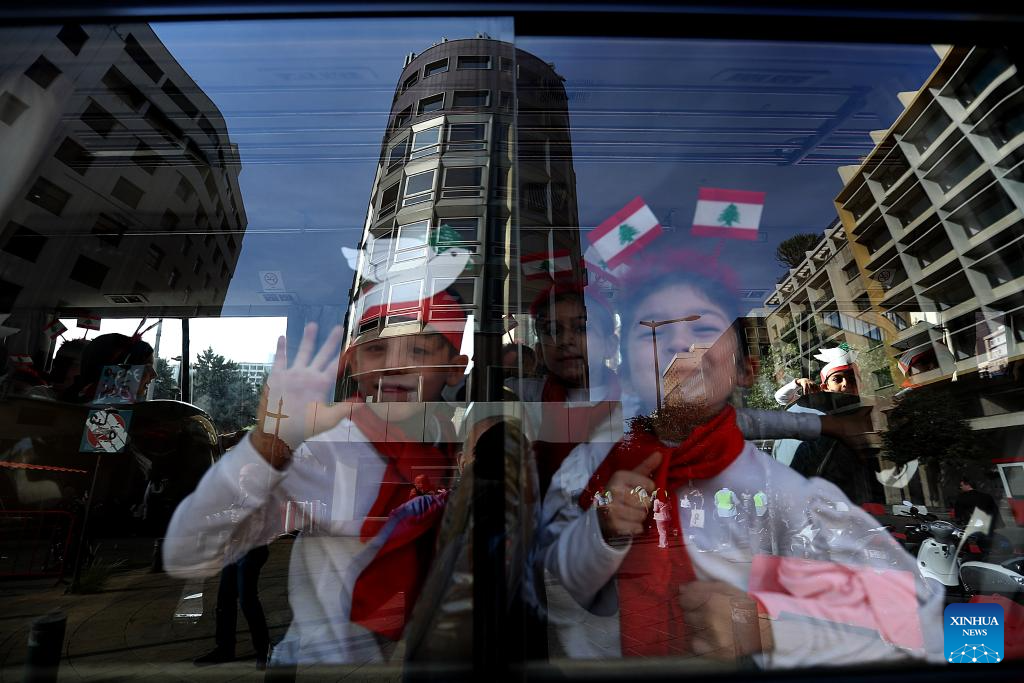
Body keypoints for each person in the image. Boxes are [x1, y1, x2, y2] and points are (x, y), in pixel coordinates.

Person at [538, 248, 943, 666]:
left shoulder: (786, 499)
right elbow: (555, 579)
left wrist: (771, 629)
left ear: (741, 370)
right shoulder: (587, 469)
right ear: (626, 367)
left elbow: (924, 624)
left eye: (704, 328)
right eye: (652, 329)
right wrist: (601, 530)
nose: (678, 340)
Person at [164, 290, 469, 666]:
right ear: (353, 362)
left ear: (455, 368)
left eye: (418, 352)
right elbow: (187, 554)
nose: (393, 367)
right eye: (377, 351)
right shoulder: (330, 449)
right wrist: (264, 447)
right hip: (325, 666)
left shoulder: (455, 446)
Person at [194, 462, 272, 669]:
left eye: (247, 477)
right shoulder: (242, 496)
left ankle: (264, 650)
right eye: (240, 477)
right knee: (225, 600)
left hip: (252, 552)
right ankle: (225, 648)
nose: (242, 480)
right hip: (234, 551)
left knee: (248, 600)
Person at [774, 346, 858, 407]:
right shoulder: (816, 405)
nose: (845, 383)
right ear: (825, 387)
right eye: (837, 379)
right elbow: (781, 398)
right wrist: (798, 382)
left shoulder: (867, 403)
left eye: (852, 379)